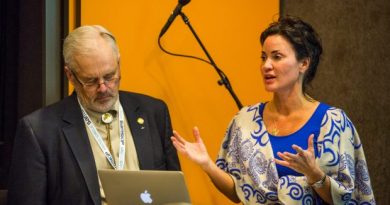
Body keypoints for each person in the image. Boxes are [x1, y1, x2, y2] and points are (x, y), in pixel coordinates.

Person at [171, 16, 375, 204]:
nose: (266, 66)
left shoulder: (334, 122)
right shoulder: (244, 120)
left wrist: (315, 175)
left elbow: (349, 199)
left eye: (277, 57)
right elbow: (237, 193)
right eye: (263, 57)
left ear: (304, 63)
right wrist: (207, 165)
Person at [7, 25, 180, 205]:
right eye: (90, 81)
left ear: (119, 64)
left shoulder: (154, 113)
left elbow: (175, 197)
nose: (103, 88)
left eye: (110, 76)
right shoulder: (39, 131)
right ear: (70, 76)